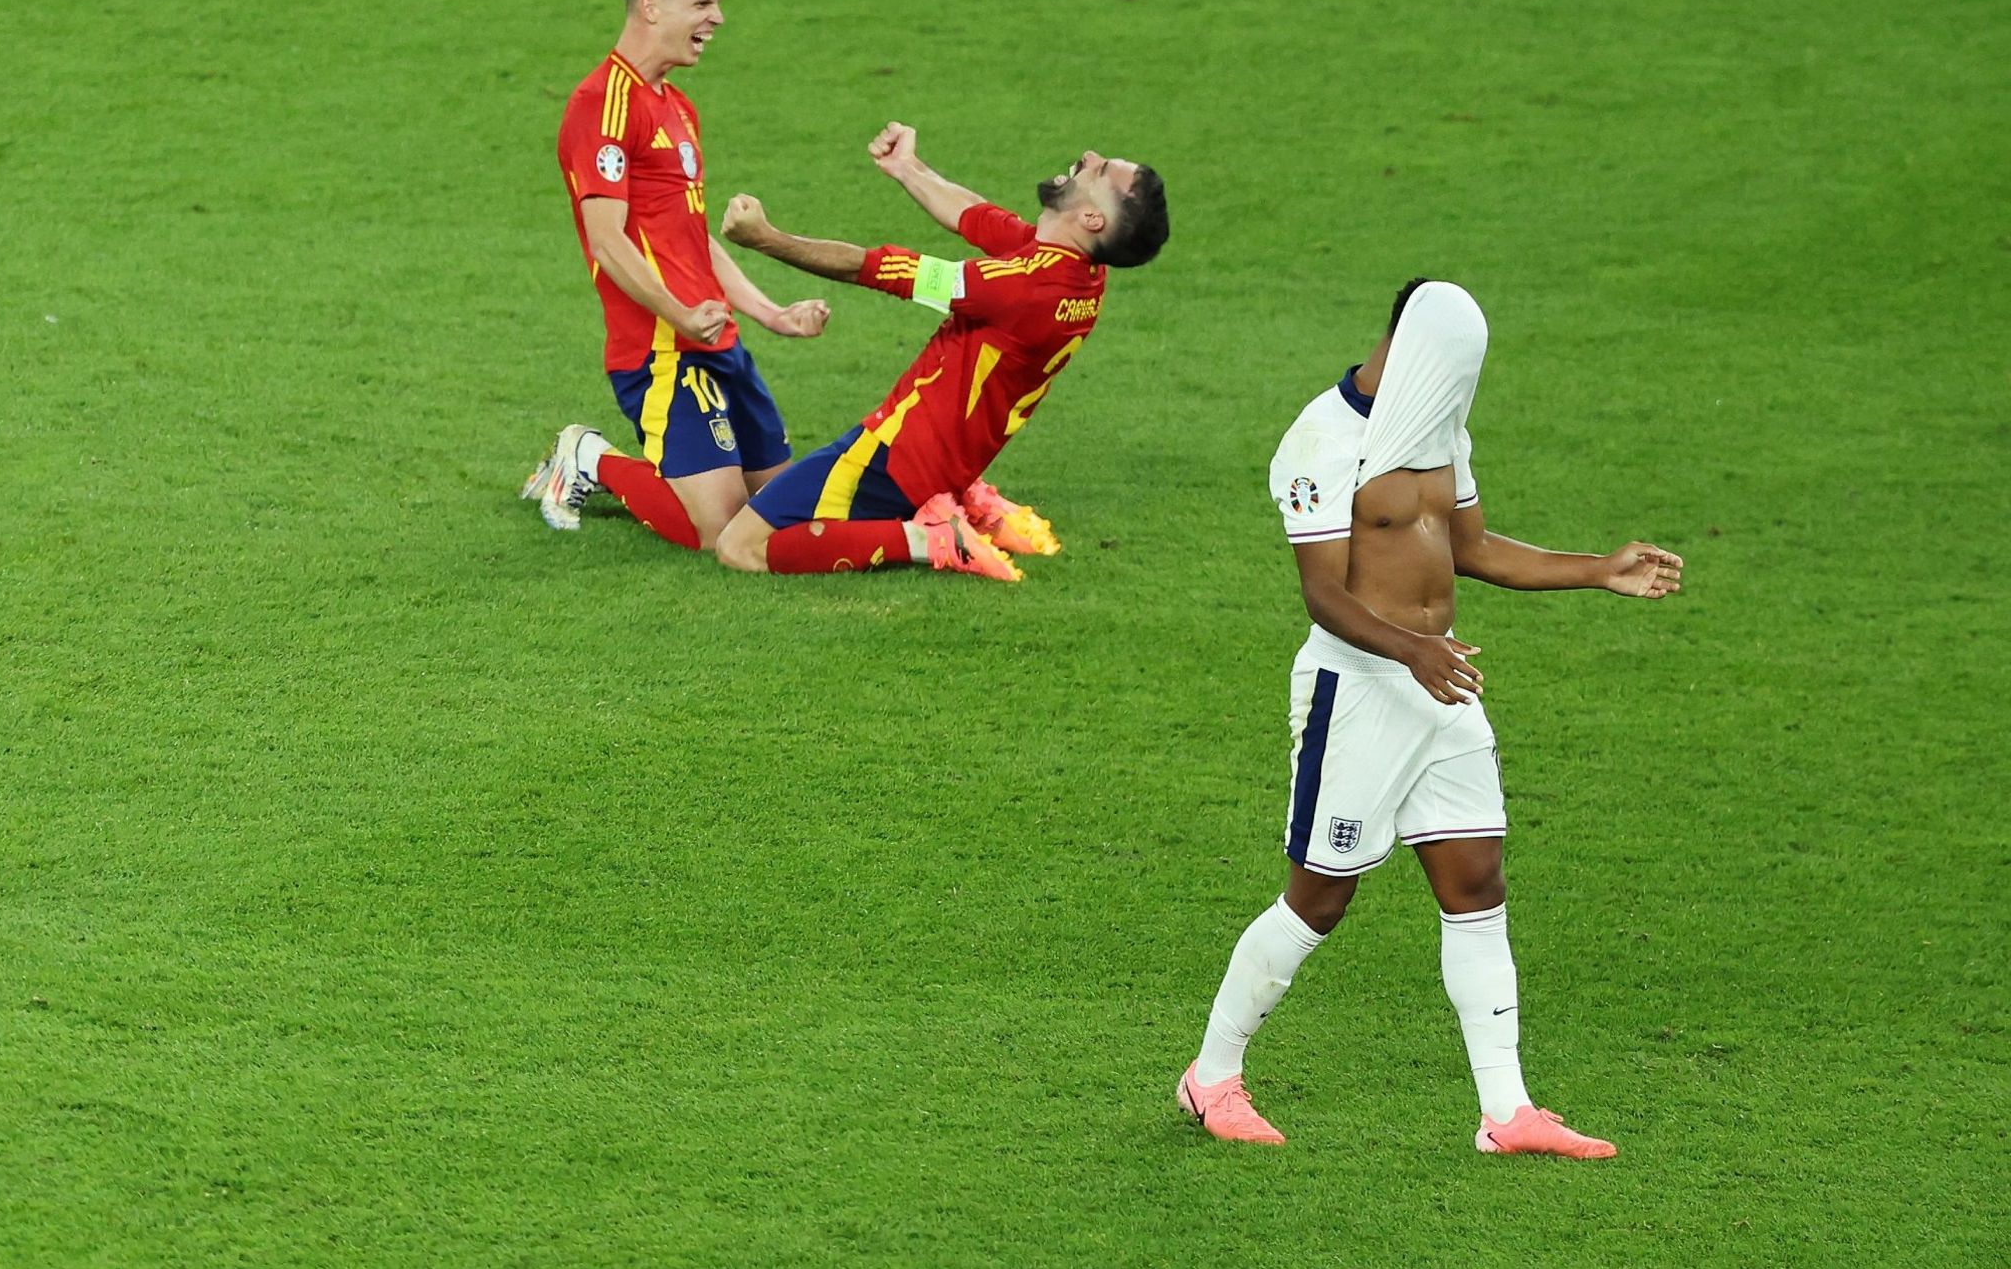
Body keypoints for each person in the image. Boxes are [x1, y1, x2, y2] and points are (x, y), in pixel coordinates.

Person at [1178, 278, 1684, 1153]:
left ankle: (1507, 1113)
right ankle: (1212, 1078)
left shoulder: (1440, 423)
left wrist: (1596, 569)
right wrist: (1410, 650)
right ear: (1409, 343)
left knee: (1477, 883)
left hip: (1440, 686)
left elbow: (1473, 547)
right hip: (1358, 693)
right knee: (1318, 905)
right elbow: (1323, 596)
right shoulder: (1320, 441)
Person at [708, 124, 1169, 580]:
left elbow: (871, 267)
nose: (1089, 156)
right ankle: (962, 500)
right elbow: (974, 215)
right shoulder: (1077, 273)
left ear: (1092, 220)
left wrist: (763, 238)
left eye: (1101, 170)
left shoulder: (1022, 289)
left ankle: (929, 539)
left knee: (740, 545)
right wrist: (907, 167)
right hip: (947, 461)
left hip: (897, 457)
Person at [521, 0, 831, 551]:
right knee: (721, 530)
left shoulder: (678, 107)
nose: (717, 18)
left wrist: (770, 313)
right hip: (661, 348)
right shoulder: (601, 106)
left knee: (778, 511)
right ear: (650, 7)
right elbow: (607, 242)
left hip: (717, 339)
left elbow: (692, 240)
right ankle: (587, 457)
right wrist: (680, 315)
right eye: (702, 4)